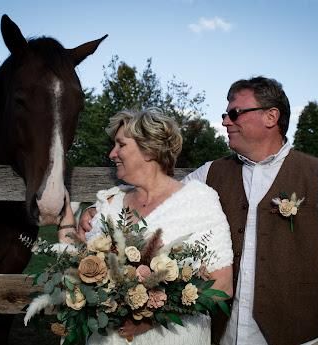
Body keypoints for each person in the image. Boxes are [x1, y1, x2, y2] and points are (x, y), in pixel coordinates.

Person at [79, 77, 318, 345]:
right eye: (225, 114)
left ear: (271, 117)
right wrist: (98, 208)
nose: (225, 120)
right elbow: (158, 195)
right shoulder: (210, 172)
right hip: (225, 333)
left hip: (297, 336)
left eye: (234, 113)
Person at [58, 108, 234, 345]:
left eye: (121, 145)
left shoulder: (198, 201)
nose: (112, 154)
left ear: (149, 149)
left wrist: (149, 320)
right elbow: (77, 267)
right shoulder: (108, 204)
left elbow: (222, 287)